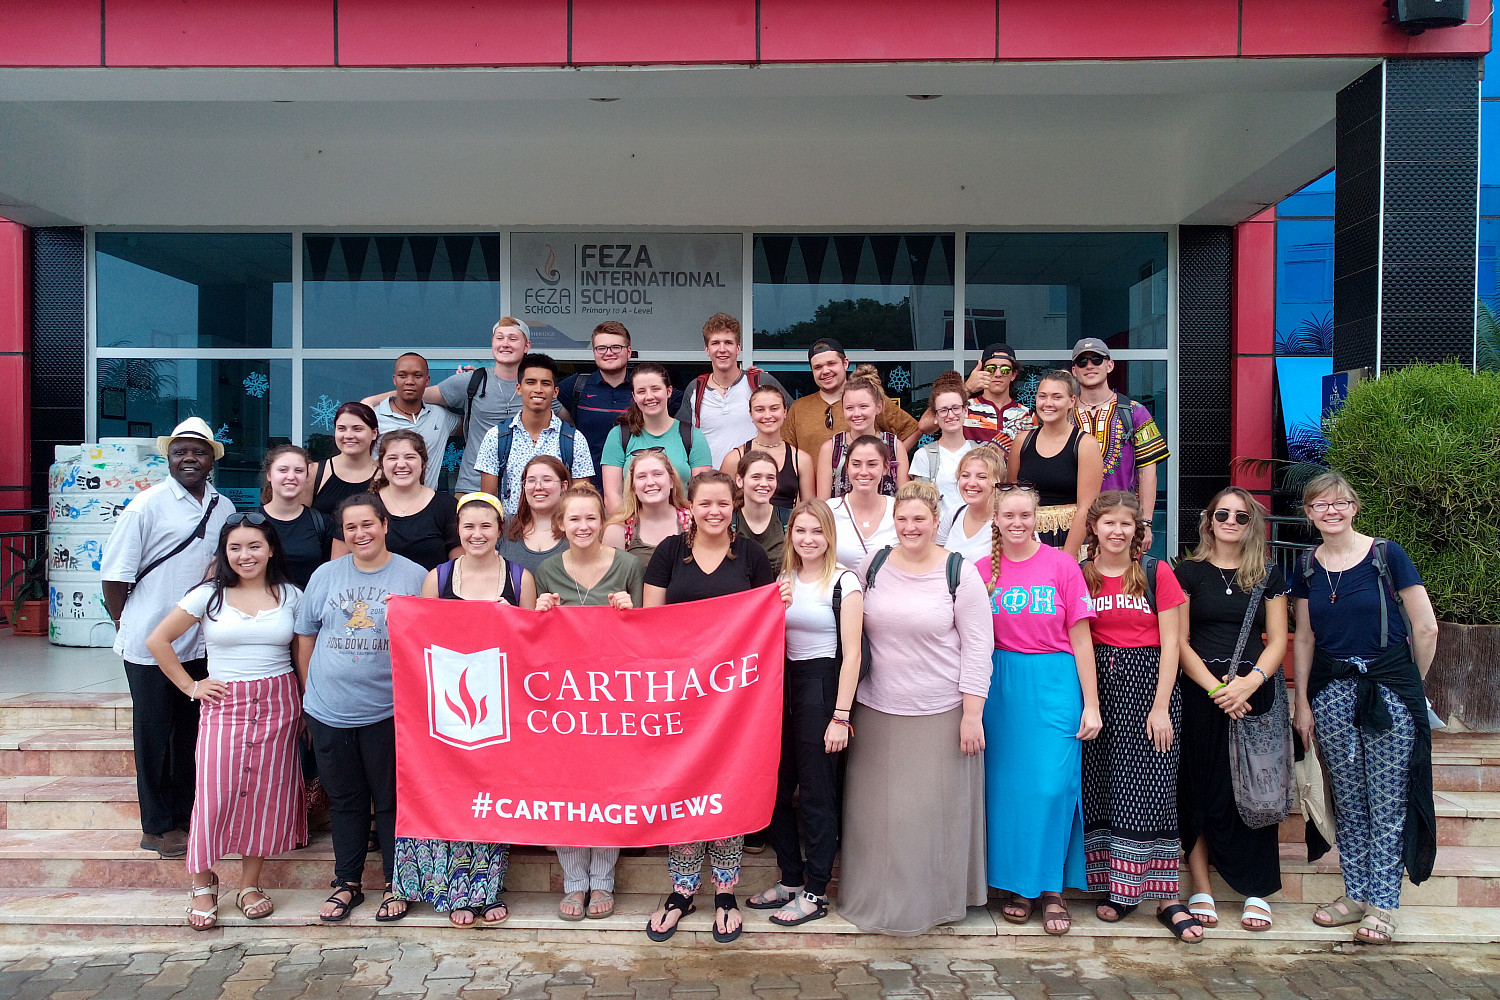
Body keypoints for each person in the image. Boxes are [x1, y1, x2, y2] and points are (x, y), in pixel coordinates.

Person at [1291, 472, 1439, 945]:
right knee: (1349, 799)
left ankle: (1383, 905)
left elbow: (1426, 627)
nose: (1330, 511)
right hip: (1333, 692)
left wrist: (1407, 684)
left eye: (1339, 503)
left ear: (1354, 507)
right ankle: (1355, 894)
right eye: (1320, 504)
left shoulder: (1386, 555)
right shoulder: (1306, 565)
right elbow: (1306, 637)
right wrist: (1302, 702)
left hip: (1388, 690)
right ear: (1309, 513)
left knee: (1389, 799)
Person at [838, 480, 991, 935]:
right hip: (877, 708)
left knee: (927, 817)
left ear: (936, 521)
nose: (909, 527)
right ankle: (873, 901)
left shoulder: (960, 572)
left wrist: (971, 713)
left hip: (939, 711)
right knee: (877, 821)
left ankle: (934, 905)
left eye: (919, 519)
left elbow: (979, 647)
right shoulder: (875, 563)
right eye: (902, 519)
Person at [144, 513, 306, 930]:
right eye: (235, 547)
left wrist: (306, 704)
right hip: (225, 703)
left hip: (279, 701)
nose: (245, 555)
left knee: (265, 795)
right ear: (224, 552)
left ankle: (250, 885)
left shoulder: (291, 595)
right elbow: (157, 640)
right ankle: (203, 881)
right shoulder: (208, 596)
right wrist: (190, 686)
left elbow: (303, 654)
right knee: (214, 794)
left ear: (270, 549)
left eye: (254, 546)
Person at [642, 470, 777, 944]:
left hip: (736, 698)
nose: (715, 512)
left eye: (723, 504)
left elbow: (768, 617)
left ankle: (724, 892)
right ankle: (681, 891)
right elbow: (650, 624)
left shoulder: (753, 556)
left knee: (726, 787)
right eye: (706, 504)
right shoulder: (668, 553)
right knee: (684, 787)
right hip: (679, 695)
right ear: (691, 508)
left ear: (733, 505)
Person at [395, 492, 533, 927]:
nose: (477, 534)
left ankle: (488, 888)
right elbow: (420, 636)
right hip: (445, 708)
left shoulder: (519, 576)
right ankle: (453, 890)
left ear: (499, 531)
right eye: (469, 527)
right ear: (458, 529)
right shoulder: (438, 577)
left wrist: (513, 621)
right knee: (450, 795)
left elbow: (534, 644)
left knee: (491, 796)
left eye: (486, 527)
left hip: (500, 707)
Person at [100, 417, 235, 859]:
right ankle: (157, 826)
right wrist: (127, 621)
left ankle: (186, 814)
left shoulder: (224, 507)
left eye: (198, 451)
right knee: (154, 735)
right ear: (169, 458)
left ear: (212, 458)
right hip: (148, 643)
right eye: (181, 451)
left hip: (199, 643)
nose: (190, 458)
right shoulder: (147, 505)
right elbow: (115, 576)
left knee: (190, 734)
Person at [295, 493, 428, 924]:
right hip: (328, 708)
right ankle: (346, 883)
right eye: (350, 527)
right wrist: (307, 696)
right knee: (346, 800)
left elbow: (430, 640)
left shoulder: (414, 576)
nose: (360, 533)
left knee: (390, 801)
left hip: (390, 710)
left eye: (367, 524)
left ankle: (396, 884)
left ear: (385, 525)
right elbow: (306, 636)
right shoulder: (325, 575)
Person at [977, 482, 1101, 936]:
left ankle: (1052, 887)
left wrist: (1092, 703)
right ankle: (1020, 887)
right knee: (1008, 791)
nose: (1016, 523)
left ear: (1038, 517)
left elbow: (1081, 637)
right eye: (1008, 516)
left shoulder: (1062, 565)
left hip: (1054, 684)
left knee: (1052, 786)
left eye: (1024, 515)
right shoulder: (979, 570)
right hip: (1000, 687)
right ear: (995, 519)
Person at [1077, 492, 1195, 942]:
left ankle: (1166, 895)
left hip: (1149, 687)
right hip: (1101, 688)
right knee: (1105, 783)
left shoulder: (1153, 572)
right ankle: (1115, 886)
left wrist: (1162, 705)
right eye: (1108, 523)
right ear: (1094, 528)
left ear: (1137, 531)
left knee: (1152, 785)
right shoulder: (1083, 575)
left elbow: (1172, 644)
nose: (1117, 532)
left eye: (1125, 524)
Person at [1175, 487, 1289, 933]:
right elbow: (1179, 640)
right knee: (1199, 787)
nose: (1230, 522)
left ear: (1251, 525)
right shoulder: (1188, 572)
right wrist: (1215, 689)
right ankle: (1200, 884)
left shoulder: (1269, 576)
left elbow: (1278, 639)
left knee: (1256, 788)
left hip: (1253, 693)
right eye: (1222, 513)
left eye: (1241, 517)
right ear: (1208, 519)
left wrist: (1247, 684)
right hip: (1203, 694)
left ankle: (1256, 890)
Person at [746, 499, 863, 926]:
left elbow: (853, 655)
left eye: (817, 531)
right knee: (775, 792)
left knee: (817, 794)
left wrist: (841, 715)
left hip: (823, 688)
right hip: (784, 689)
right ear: (790, 535)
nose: (808, 539)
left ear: (829, 535)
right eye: (800, 531)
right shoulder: (783, 579)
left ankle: (816, 890)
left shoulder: (845, 582)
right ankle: (792, 879)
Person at [531, 485, 644, 921]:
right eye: (574, 519)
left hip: (614, 700)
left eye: (591, 518)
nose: (583, 526)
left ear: (604, 522)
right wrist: (539, 610)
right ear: (561, 524)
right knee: (568, 788)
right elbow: (529, 641)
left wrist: (630, 613)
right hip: (562, 702)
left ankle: (604, 880)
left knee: (609, 788)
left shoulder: (628, 565)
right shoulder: (545, 571)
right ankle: (574, 881)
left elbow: (649, 638)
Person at [365, 317, 538, 494]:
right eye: (499, 338)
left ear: (526, 346)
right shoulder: (471, 381)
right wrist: (372, 401)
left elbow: (564, 420)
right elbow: (418, 392)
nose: (505, 344)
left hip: (525, 489)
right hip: (472, 487)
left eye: (513, 338)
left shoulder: (538, 387)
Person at [559, 321, 685, 487]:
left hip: (639, 490)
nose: (609, 353)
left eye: (616, 347)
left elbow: (690, 405)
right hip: (589, 490)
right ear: (594, 352)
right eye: (601, 348)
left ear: (629, 351)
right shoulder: (577, 385)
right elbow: (542, 399)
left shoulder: (644, 389)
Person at [1070, 338, 1170, 544]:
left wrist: (1146, 523)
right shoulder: (1064, 414)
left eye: (1096, 360)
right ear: (1074, 370)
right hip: (1072, 523)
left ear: (1110, 365)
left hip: (1121, 523)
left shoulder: (1135, 412)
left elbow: (1147, 471)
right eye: (1082, 362)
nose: (1089, 366)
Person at [475, 353, 594, 516]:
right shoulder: (496, 437)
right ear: (519, 388)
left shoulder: (574, 440)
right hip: (511, 534)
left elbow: (582, 501)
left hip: (559, 533)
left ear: (555, 391)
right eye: (530, 382)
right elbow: (488, 503)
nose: (538, 389)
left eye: (545, 383)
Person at [333, 430, 459, 572]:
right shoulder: (362, 506)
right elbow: (338, 569)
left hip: (430, 593)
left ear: (423, 463)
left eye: (410, 457)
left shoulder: (446, 505)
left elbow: (459, 569)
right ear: (381, 464)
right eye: (392, 458)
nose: (401, 464)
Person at [1007, 370, 1102, 556]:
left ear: (1071, 401)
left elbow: (1086, 508)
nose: (1048, 403)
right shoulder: (1021, 442)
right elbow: (1010, 498)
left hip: (1072, 542)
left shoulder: (1085, 444)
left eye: (1056, 397)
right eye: (1042, 396)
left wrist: (1066, 559)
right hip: (1027, 541)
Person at [676, 312, 787, 467]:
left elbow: (793, 421)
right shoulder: (695, 388)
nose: (722, 349)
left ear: (738, 348)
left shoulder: (761, 382)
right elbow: (679, 439)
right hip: (710, 484)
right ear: (707, 349)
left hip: (754, 483)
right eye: (715, 343)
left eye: (728, 342)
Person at [783, 338, 920, 459]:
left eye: (831, 364)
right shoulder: (798, 408)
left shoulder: (870, 399)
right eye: (818, 367)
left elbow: (911, 431)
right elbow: (785, 452)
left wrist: (887, 462)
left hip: (864, 486)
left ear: (845, 363)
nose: (825, 371)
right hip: (811, 488)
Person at [600, 363, 712, 512]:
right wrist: (629, 530)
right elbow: (612, 495)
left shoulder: (692, 436)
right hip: (633, 529)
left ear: (669, 391)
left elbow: (702, 494)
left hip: (682, 528)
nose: (649, 396)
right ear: (634, 396)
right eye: (641, 391)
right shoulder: (619, 436)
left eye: (655, 389)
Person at [919, 343, 1036, 455]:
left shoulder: (1027, 415)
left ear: (1013, 375)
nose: (998, 374)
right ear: (981, 371)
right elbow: (925, 426)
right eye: (991, 368)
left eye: (1005, 369)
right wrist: (966, 389)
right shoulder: (963, 408)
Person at [719, 383, 814, 520]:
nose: (767, 415)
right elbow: (723, 504)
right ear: (751, 414)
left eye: (774, 408)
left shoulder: (801, 459)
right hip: (744, 536)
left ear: (785, 411)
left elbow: (809, 510)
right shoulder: (734, 459)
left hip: (785, 535)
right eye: (760, 410)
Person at [817, 365, 909, 499]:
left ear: (878, 407)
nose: (856, 414)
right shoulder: (831, 449)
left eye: (863, 406)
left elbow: (904, 500)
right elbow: (823, 505)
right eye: (849, 408)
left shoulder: (894, 447)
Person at [371, 352, 460, 490]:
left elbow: (476, 425)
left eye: (417, 376)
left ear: (427, 380)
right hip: (383, 503)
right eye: (402, 376)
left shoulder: (440, 416)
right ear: (394, 380)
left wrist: (469, 386)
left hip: (427, 504)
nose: (409, 381)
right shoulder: (374, 417)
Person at [257, 444, 335, 589]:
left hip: (308, 608)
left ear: (307, 476)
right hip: (259, 609)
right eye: (282, 470)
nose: (291, 477)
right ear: (269, 474)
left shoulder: (321, 524)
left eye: (299, 471)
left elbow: (330, 577)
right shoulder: (249, 522)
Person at [603, 450, 692, 570]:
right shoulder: (618, 530)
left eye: (657, 474)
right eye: (642, 477)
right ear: (633, 487)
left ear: (671, 481)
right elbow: (609, 583)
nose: (650, 482)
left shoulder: (692, 522)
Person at [909, 372, 979, 522]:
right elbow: (922, 504)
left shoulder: (980, 454)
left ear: (965, 410)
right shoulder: (924, 456)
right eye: (943, 410)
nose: (951, 415)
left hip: (975, 533)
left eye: (956, 408)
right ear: (935, 416)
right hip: (939, 537)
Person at [826, 436, 898, 570]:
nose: (863, 472)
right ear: (847, 467)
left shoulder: (898, 509)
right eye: (856, 464)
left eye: (872, 464)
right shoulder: (830, 509)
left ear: (885, 467)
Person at [497, 455, 572, 578]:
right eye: (531, 480)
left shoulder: (577, 528)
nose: (538, 487)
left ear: (564, 486)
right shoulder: (505, 526)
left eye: (547, 480)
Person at [305, 402, 380, 518]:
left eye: (357, 429)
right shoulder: (314, 472)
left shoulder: (384, 476)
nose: (348, 435)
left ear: (374, 433)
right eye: (342, 429)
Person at [938, 447, 1006, 564]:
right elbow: (937, 559)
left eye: (982, 477)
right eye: (965, 475)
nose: (971, 483)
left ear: (997, 481)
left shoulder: (1009, 520)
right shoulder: (954, 514)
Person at [734, 451, 787, 574]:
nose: (764, 484)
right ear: (739, 480)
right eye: (756, 477)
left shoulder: (788, 520)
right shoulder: (728, 522)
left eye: (770, 478)